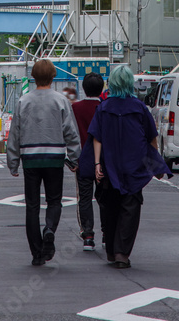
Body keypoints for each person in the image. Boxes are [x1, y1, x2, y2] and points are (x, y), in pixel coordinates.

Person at [85, 65, 172, 269]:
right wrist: (155, 163)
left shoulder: (104, 107)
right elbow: (152, 139)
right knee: (130, 208)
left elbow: (96, 136)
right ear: (129, 82)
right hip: (134, 165)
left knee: (110, 206)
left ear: (112, 83)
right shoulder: (139, 108)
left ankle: (110, 250)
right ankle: (122, 253)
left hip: (109, 164)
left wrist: (97, 163)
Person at [6, 59, 81, 266]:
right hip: (55, 158)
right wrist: (74, 158)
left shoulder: (24, 101)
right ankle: (49, 229)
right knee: (54, 201)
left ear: (33, 76)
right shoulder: (61, 100)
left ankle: (37, 253)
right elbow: (71, 132)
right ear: (53, 75)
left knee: (32, 206)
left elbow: (15, 134)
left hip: (30, 159)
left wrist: (13, 163)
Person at [72, 73, 104, 250]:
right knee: (104, 197)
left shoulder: (75, 108)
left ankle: (88, 235)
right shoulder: (104, 107)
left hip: (82, 158)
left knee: (84, 197)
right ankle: (107, 232)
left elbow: (71, 133)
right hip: (103, 160)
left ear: (83, 88)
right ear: (102, 88)